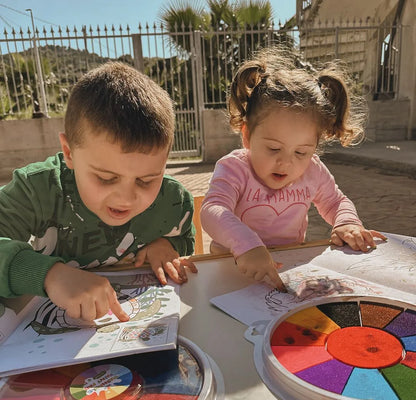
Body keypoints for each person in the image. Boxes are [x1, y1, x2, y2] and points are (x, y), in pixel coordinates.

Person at [0, 61, 197, 322]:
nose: (125, 198)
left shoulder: (172, 201)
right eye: (106, 178)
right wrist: (50, 275)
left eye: (147, 180)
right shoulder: (37, 189)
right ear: (69, 152)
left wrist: (167, 244)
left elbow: (184, 238)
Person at [200, 46, 385, 291]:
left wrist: (347, 222)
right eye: (273, 149)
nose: (286, 163)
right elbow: (212, 210)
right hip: (231, 268)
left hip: (287, 269)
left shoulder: (313, 171)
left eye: (301, 152)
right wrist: (247, 245)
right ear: (247, 136)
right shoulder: (235, 168)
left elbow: (335, 202)